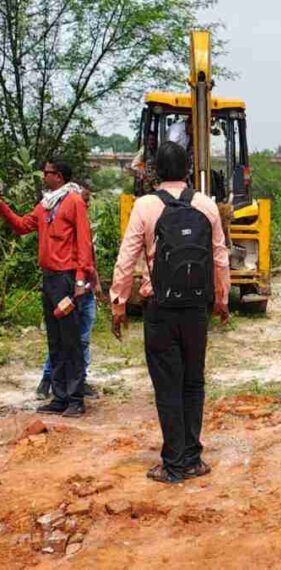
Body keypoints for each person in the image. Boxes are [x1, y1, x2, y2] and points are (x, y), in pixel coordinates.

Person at [110, 141, 230, 484]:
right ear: (188, 171)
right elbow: (219, 257)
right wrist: (221, 301)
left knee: (167, 385)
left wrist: (118, 304)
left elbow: (126, 257)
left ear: (155, 173)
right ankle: (192, 457)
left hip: (160, 309)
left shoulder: (145, 206)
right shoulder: (206, 205)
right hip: (196, 309)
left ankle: (173, 463)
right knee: (194, 382)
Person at [0, 159, 94, 417]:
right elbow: (21, 226)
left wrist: (79, 279)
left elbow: (83, 242)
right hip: (50, 278)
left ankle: (76, 399)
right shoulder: (45, 205)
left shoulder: (74, 201)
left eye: (48, 173)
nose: (44, 176)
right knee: (55, 339)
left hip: (66, 279)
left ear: (60, 177)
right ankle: (60, 396)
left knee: (71, 339)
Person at [37, 181, 102, 400]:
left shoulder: (77, 218)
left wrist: (89, 283)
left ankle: (73, 390)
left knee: (76, 339)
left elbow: (87, 254)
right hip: (68, 282)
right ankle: (56, 386)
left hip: (78, 284)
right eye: (85, 199)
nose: (87, 204)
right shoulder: (54, 211)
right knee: (63, 338)